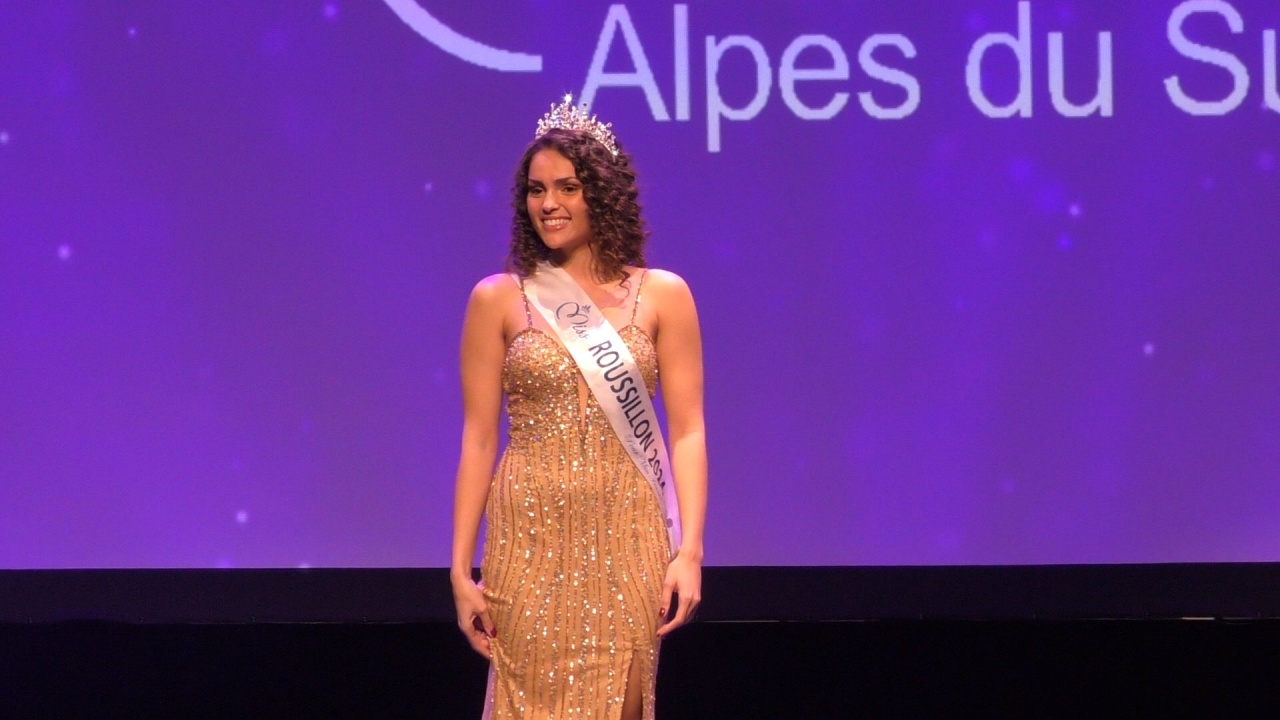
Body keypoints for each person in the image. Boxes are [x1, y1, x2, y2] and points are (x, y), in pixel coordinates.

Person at [449, 96, 707, 720]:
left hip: (629, 537)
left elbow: (688, 432)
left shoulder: (663, 295)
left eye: (568, 187)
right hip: (526, 541)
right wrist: (458, 568)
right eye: (537, 190)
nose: (550, 203)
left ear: (602, 194)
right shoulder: (497, 299)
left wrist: (691, 552)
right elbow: (478, 439)